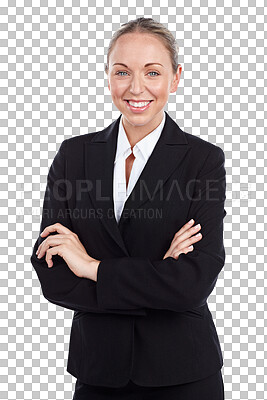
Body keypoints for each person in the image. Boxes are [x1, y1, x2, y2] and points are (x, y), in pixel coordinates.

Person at [31, 17, 226, 400]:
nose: (136, 88)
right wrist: (159, 275)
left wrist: (92, 268)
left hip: (183, 373)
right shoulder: (74, 156)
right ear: (107, 75)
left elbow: (195, 280)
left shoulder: (202, 160)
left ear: (175, 78)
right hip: (98, 372)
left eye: (152, 72)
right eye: (122, 72)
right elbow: (51, 272)